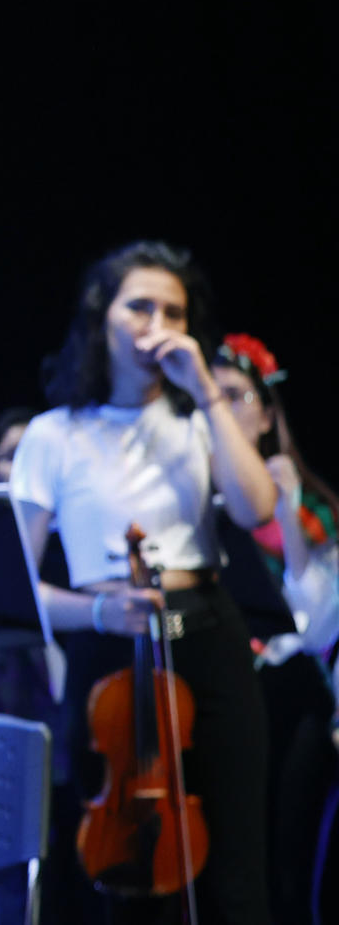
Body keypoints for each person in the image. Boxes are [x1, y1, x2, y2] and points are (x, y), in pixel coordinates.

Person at [9, 241, 275, 925]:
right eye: (139, 305)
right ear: (103, 317)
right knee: (128, 876)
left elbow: (257, 508)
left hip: (208, 635)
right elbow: (12, 590)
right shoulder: (55, 433)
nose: (156, 322)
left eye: (173, 311)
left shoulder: (198, 421)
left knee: (237, 874)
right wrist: (96, 610)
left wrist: (209, 389)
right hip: (111, 653)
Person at [210, 334, 338, 925]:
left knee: (285, 855)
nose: (226, 410)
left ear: (265, 412)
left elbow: (314, 619)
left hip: (293, 692)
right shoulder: (196, 498)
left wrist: (284, 512)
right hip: (220, 686)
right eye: (213, 398)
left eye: (237, 396)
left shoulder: (303, 497)